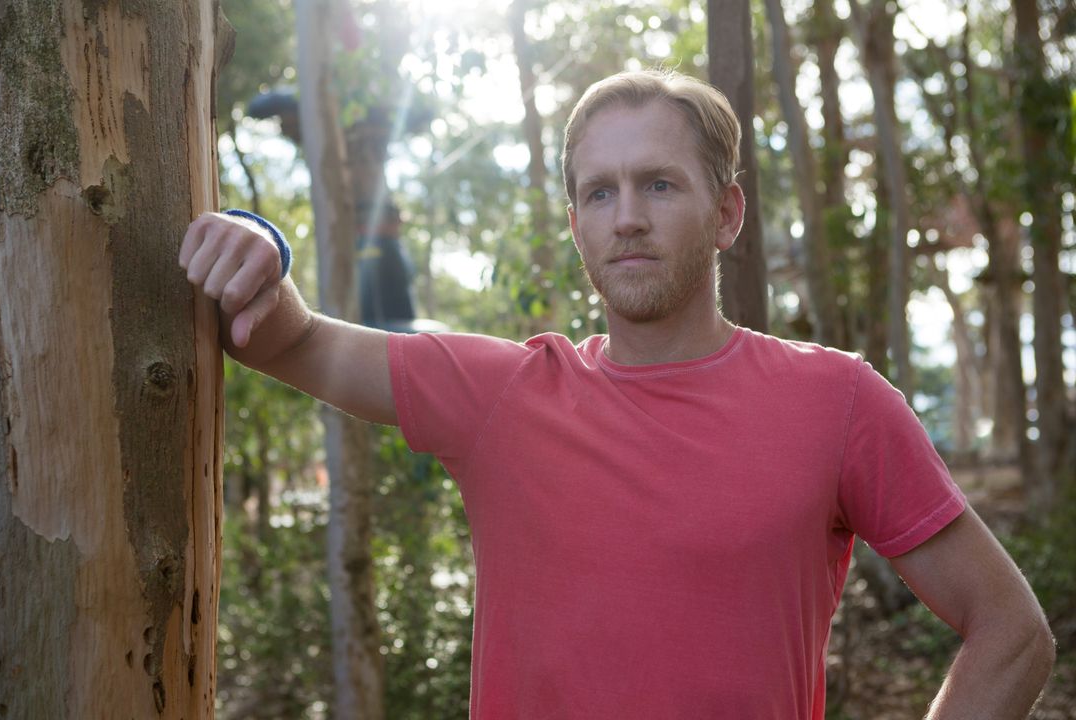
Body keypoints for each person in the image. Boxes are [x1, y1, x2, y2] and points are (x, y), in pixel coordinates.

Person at [181, 70, 1055, 718]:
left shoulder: (839, 402)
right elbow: (287, 338)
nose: (626, 215)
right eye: (600, 192)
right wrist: (254, 242)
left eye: (659, 184)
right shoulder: (503, 395)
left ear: (726, 213)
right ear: (577, 226)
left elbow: (1011, 632)